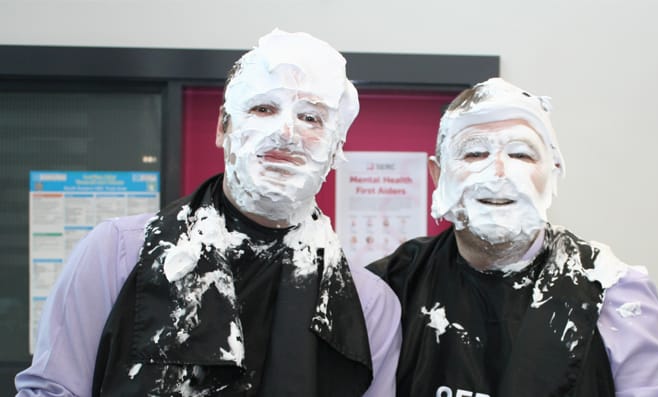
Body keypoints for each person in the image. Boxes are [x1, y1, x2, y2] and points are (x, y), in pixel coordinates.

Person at [16, 29, 401, 397]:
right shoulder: (116, 255)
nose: (287, 132)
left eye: (311, 118)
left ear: (336, 148)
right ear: (223, 127)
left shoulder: (367, 306)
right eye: (263, 108)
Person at [368, 78, 658, 397]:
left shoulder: (614, 291)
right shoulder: (390, 287)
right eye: (475, 153)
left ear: (553, 171)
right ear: (438, 175)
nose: (499, 172)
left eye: (521, 155)